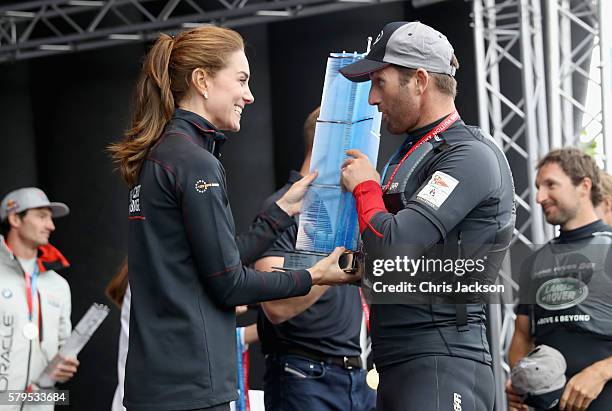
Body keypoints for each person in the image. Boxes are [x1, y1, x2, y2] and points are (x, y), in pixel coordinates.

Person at [108, 26, 358, 411]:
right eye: (241, 80)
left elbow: (212, 264)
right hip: (192, 387)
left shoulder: (166, 154)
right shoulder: (194, 162)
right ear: (202, 80)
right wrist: (316, 275)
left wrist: (279, 213)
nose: (249, 94)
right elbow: (230, 283)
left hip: (164, 383)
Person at [338, 21, 515, 410]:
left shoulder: (469, 156)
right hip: (399, 361)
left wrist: (366, 188)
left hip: (443, 359)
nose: (371, 99)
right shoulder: (411, 153)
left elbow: (394, 246)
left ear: (419, 81)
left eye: (379, 83)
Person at [254, 107, 376, 411]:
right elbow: (275, 306)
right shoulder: (284, 209)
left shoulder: (346, 211)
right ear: (333, 143)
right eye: (358, 146)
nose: (365, 160)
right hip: (304, 378)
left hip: (355, 379)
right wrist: (337, 265)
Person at [507, 148, 612, 411]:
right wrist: (518, 385)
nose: (540, 197)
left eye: (551, 185)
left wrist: (601, 371)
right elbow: (521, 337)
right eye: (538, 187)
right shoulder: (535, 261)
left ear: (583, 186)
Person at [0, 187, 79, 410]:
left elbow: (63, 347)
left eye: (51, 219)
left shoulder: (59, 285)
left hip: (40, 404)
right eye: (42, 216)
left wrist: (64, 366)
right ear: (15, 218)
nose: (51, 226)